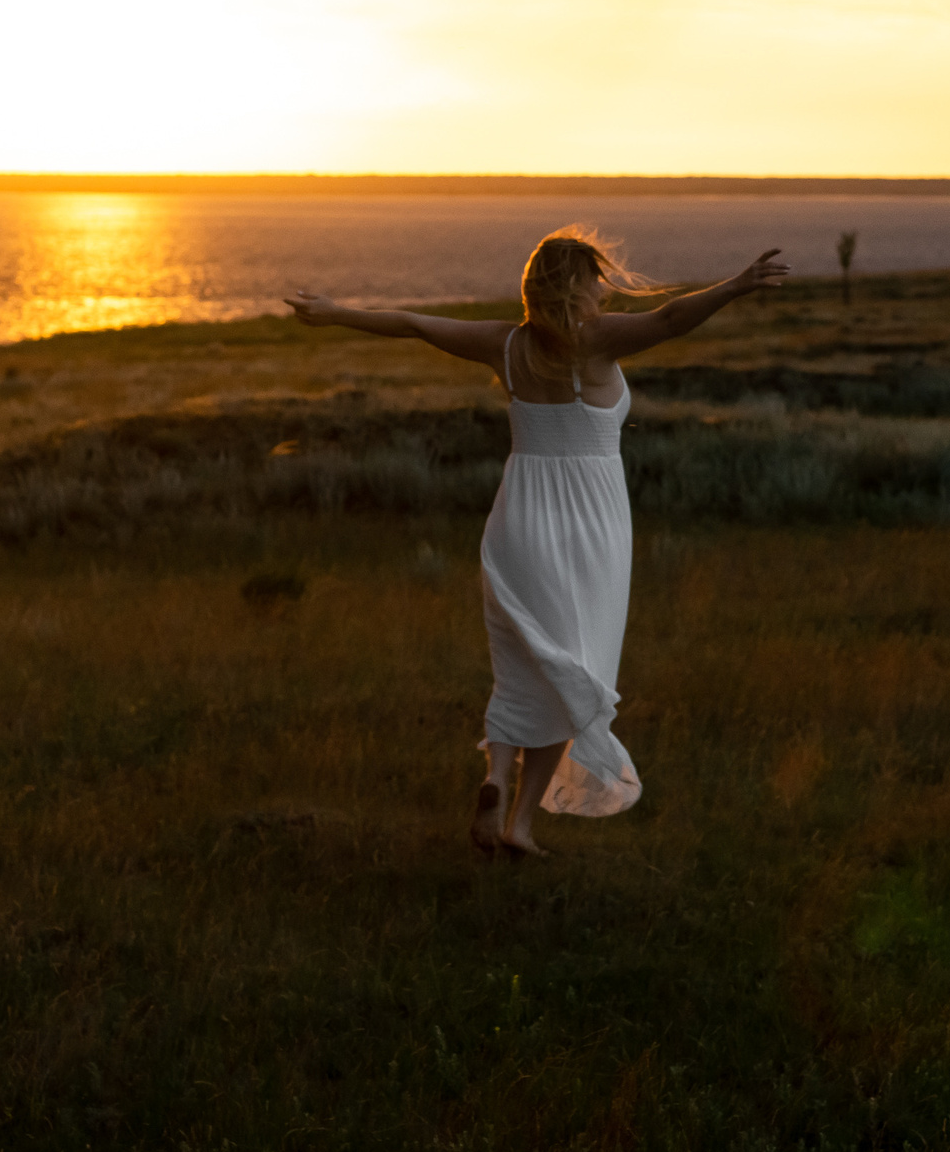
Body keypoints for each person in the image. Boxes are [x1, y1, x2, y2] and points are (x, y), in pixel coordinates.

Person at [284, 228, 789, 858]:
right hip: (592, 524)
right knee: (572, 669)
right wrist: (736, 287)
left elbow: (412, 322)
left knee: (522, 662)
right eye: (595, 282)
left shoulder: (504, 343)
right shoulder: (597, 342)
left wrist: (334, 314)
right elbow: (669, 317)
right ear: (578, 289)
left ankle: (498, 783)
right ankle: (520, 822)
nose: (604, 292)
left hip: (519, 516)